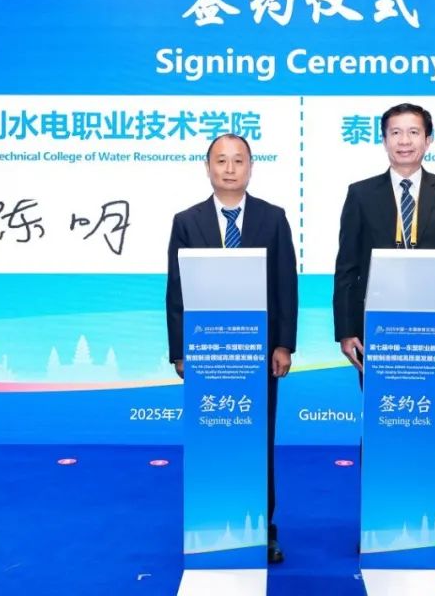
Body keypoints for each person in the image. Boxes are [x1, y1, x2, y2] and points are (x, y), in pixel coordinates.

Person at [332, 102, 435, 560]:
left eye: (414, 132)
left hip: (431, 336)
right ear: (384, 139)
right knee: (381, 426)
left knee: (422, 426)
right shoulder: (361, 194)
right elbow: (346, 268)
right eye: (395, 132)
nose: (405, 141)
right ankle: (380, 520)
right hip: (375, 336)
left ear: (428, 140)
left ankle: (424, 520)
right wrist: (346, 331)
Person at [166, 133, 298, 565]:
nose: (229, 168)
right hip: (207, 354)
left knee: (259, 439)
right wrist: (180, 351)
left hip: (259, 354)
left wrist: (283, 344)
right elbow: (176, 291)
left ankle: (261, 526)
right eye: (220, 160)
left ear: (250, 167)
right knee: (212, 436)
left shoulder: (272, 218)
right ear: (207, 167)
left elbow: (285, 285)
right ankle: (212, 520)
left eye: (238, 160)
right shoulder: (187, 221)